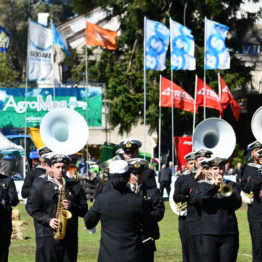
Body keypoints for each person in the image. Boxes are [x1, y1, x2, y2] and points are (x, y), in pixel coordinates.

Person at [84, 160, 159, 262]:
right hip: (133, 255)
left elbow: (88, 222)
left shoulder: (102, 199)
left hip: (108, 256)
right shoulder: (138, 200)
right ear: (128, 175)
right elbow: (152, 229)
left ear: (110, 176)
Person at [26, 153, 88, 262]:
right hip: (46, 236)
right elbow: (31, 207)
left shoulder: (76, 186)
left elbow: (84, 210)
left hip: (69, 237)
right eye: (58, 167)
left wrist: (72, 206)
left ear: (68, 168)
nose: (61, 170)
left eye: (64, 167)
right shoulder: (40, 184)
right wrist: (48, 220)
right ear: (51, 167)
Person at [190, 157, 241, 262]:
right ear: (209, 170)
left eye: (221, 168)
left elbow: (236, 204)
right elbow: (198, 201)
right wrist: (214, 187)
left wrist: (224, 188)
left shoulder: (231, 185)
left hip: (229, 234)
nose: (218, 171)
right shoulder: (201, 185)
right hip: (207, 234)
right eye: (215, 168)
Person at [128, 158, 165, 262]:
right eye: (134, 174)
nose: (137, 176)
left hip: (146, 237)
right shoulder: (123, 192)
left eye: (139, 173)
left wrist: (143, 217)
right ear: (129, 174)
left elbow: (159, 213)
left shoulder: (152, 192)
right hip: (127, 238)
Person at [173, 151, 201, 262]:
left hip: (201, 216)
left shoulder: (205, 176)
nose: (193, 165)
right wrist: (189, 196)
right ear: (187, 164)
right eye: (190, 163)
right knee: (187, 248)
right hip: (186, 218)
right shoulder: (181, 179)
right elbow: (176, 197)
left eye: (195, 162)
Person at [240, 141, 262, 262]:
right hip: (257, 212)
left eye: (261, 150)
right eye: (256, 150)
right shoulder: (249, 168)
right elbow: (245, 187)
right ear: (252, 153)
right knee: (258, 244)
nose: (259, 152)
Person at [0, 168, 19, 262]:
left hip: (3, 224)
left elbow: (15, 200)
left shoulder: (8, 180)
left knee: (3, 254)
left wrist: (6, 199)